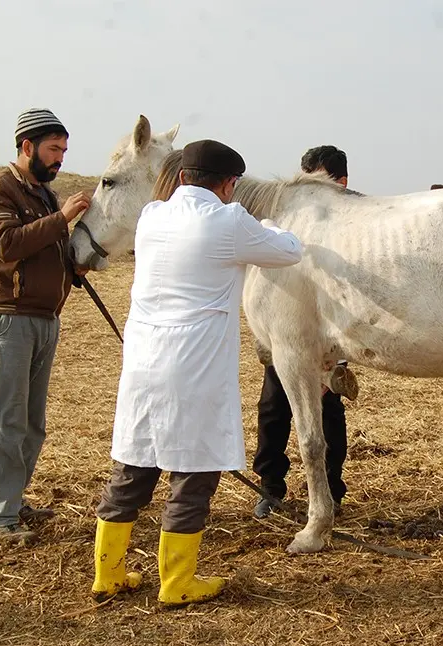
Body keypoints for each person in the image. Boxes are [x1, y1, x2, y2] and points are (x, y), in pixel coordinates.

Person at [90, 140, 303, 606]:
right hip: (194, 367)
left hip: (145, 364)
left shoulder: (152, 217)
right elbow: (289, 250)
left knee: (133, 467)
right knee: (193, 471)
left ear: (183, 176)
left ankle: (108, 574)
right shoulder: (228, 220)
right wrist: (266, 224)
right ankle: (178, 582)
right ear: (229, 184)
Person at [0, 108, 92, 545]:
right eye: (53, 149)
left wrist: (72, 266)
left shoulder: (41, 193)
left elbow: (43, 249)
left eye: (63, 150)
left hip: (44, 320)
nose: (60, 158)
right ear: (27, 147)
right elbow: (6, 246)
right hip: (9, 321)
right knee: (5, 421)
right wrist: (63, 218)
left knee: (31, 421)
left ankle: (12, 500)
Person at [250, 144, 360, 519]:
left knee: (328, 412)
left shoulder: (355, 228)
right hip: (287, 334)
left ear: (341, 182)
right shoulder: (291, 218)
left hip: (329, 341)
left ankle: (331, 488)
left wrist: (337, 361)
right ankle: (271, 487)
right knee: (273, 410)